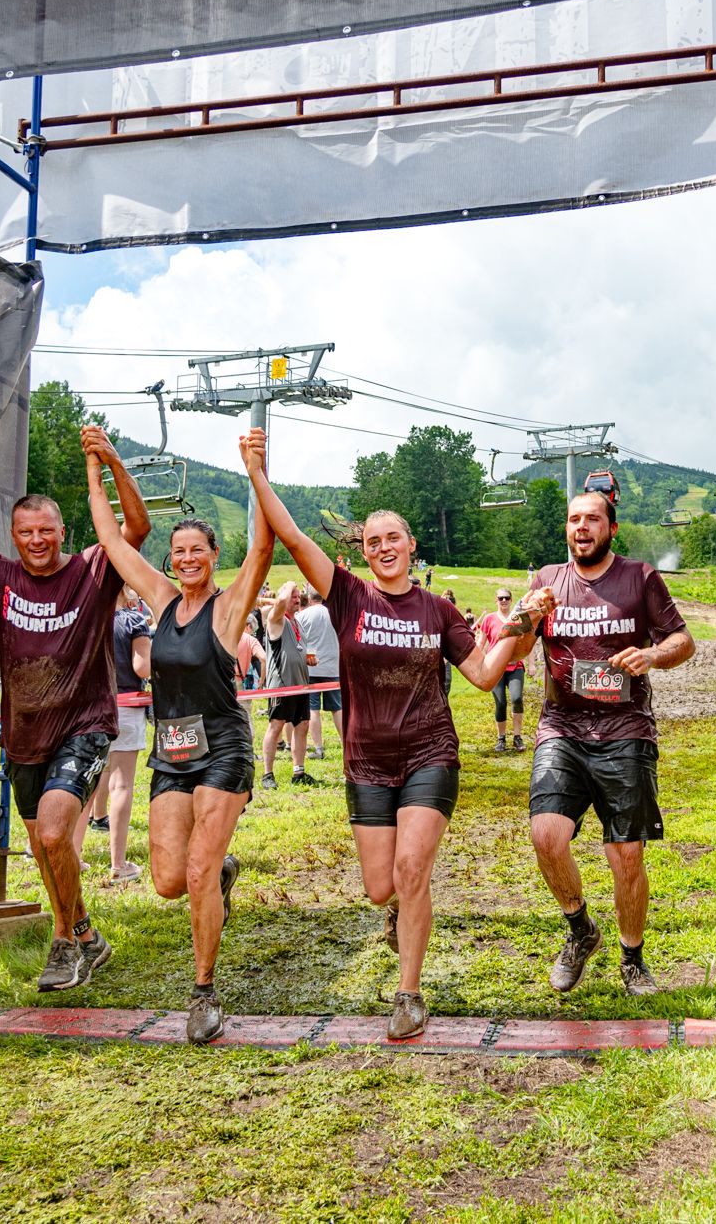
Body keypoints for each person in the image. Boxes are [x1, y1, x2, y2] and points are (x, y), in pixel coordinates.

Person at [243, 427, 519, 1039]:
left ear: (411, 545)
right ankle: (397, 909)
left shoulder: (439, 611)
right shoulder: (346, 596)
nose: (384, 546)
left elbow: (480, 674)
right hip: (366, 760)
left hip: (429, 753)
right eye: (373, 541)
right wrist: (258, 474)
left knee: (413, 869)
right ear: (363, 554)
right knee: (379, 888)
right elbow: (291, 535)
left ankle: (409, 992)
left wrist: (520, 631)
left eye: (393, 536)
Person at [0, 418, 141, 993]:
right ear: (14, 535)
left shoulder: (94, 569)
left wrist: (113, 464)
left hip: (84, 725)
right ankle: (86, 932)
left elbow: (135, 527)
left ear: (63, 530)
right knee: (46, 849)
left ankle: (64, 944)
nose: (37, 540)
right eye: (26, 532)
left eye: (46, 530)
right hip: (22, 735)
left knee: (53, 835)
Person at [84, 433, 275, 1044]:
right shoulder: (162, 601)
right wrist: (104, 464)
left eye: (198, 550)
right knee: (169, 880)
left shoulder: (228, 608)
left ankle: (203, 992)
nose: (188, 558)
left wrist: (254, 469)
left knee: (196, 869)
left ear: (214, 555)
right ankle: (217, 876)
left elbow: (265, 544)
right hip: (172, 753)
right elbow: (112, 541)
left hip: (222, 749)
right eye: (179, 551)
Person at [486, 490, 695, 998]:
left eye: (593, 520)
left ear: (611, 529)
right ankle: (581, 931)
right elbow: (510, 648)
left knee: (626, 853)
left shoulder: (640, 577)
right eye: (574, 520)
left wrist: (652, 657)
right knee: (546, 835)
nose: (582, 527)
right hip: (562, 727)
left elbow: (682, 640)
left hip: (626, 730)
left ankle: (632, 958)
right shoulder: (547, 582)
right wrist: (529, 614)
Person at [84, 589, 153, 884]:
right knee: (121, 784)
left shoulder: (84, 618)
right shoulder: (133, 621)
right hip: (125, 705)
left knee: (85, 784)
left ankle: (73, 858)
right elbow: (143, 666)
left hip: (89, 707)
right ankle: (118, 863)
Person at [259, 582, 315, 789]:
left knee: (302, 726)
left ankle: (298, 772)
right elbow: (280, 601)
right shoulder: (276, 619)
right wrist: (289, 585)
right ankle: (267, 774)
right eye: (293, 595)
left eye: (298, 595)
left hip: (300, 684)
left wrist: (306, 659)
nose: (296, 599)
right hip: (281, 684)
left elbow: (297, 648)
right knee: (276, 725)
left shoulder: (296, 622)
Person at [475, 587, 528, 752]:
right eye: (500, 598)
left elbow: (527, 642)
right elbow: (481, 643)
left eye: (506, 598)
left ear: (511, 600)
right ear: (496, 600)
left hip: (515, 667)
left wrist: (532, 664)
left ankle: (517, 737)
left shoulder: (518, 618)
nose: (504, 601)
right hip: (495, 668)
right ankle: (501, 739)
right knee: (500, 703)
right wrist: (477, 663)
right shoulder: (489, 619)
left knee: (517, 698)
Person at [295, 588, 343, 759]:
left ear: (308, 598)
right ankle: (346, 745)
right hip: (333, 666)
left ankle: (318, 748)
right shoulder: (335, 613)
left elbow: (297, 640)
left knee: (313, 709)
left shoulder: (302, 616)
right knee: (337, 708)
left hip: (311, 667)